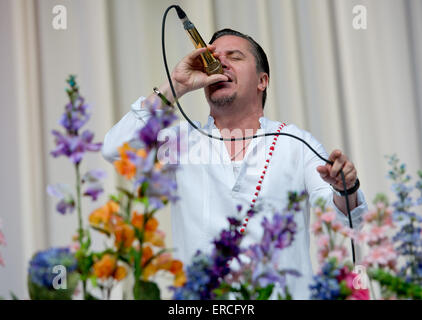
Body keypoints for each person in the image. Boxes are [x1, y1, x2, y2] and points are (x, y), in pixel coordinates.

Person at [101, 28, 368, 299]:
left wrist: (345, 187)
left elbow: (343, 221)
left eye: (235, 57)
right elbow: (115, 148)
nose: (220, 63)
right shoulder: (180, 141)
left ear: (262, 81)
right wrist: (177, 85)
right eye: (213, 57)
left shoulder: (294, 142)